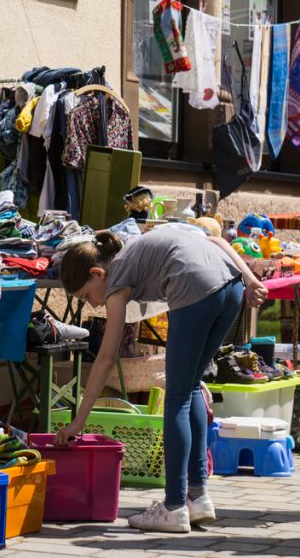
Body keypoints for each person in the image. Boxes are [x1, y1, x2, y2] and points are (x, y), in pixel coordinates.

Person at [54, 226, 269, 533]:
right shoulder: (133, 250)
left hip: (195, 288)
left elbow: (105, 358)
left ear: (97, 273)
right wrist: (250, 279)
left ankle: (173, 507)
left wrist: (78, 422)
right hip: (231, 287)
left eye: (86, 295)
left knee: (178, 395)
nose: (92, 304)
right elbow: (216, 240)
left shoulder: (116, 280)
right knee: (191, 387)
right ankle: (198, 497)